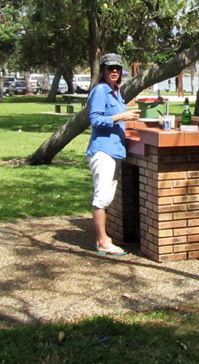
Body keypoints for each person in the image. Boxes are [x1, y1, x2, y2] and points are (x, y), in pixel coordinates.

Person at [87, 53, 141, 256]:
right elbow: (95, 120)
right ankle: (102, 242)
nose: (114, 72)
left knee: (107, 196)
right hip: (103, 151)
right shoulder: (100, 91)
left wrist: (130, 118)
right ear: (103, 71)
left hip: (115, 150)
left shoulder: (116, 91)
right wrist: (121, 116)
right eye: (110, 68)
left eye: (117, 68)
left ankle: (104, 238)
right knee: (102, 197)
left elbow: (119, 118)